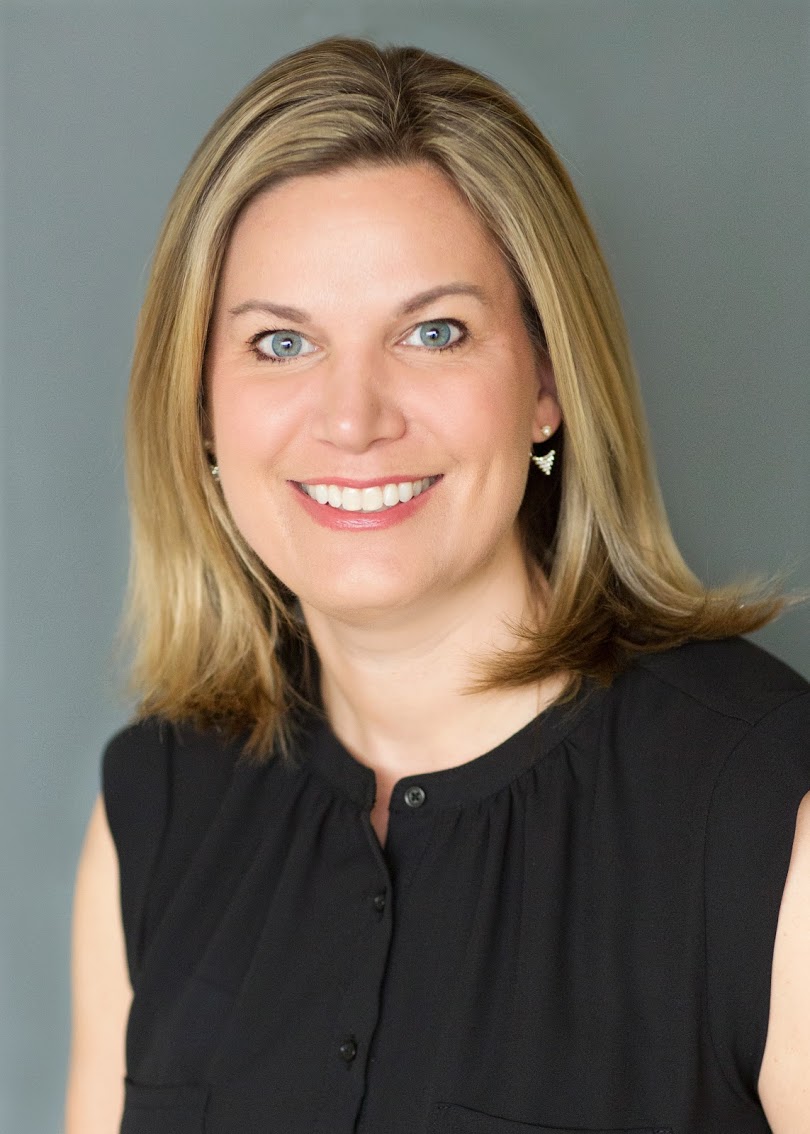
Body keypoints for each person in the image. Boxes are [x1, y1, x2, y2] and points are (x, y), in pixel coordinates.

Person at [64, 35, 810, 1134]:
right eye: (280, 343)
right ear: (200, 408)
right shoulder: (158, 804)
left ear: (548, 382)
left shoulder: (764, 809)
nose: (355, 418)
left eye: (434, 331)